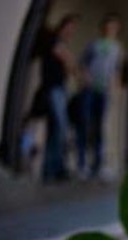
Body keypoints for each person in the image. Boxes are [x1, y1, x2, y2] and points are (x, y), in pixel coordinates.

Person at [75, 13, 122, 179]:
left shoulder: (116, 48)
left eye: (114, 28)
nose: (111, 30)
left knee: (100, 126)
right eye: (109, 27)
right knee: (85, 124)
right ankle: (81, 164)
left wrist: (115, 87)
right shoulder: (93, 45)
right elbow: (82, 63)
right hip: (89, 89)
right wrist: (84, 77)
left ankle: (98, 164)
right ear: (103, 28)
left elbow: (116, 69)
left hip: (104, 90)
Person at [40, 14, 79, 182]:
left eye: (73, 30)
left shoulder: (59, 43)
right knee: (60, 127)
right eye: (69, 28)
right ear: (62, 27)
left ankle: (50, 170)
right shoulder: (55, 41)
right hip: (54, 89)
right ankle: (56, 168)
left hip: (59, 89)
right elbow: (65, 58)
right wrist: (77, 71)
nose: (70, 32)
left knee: (56, 129)